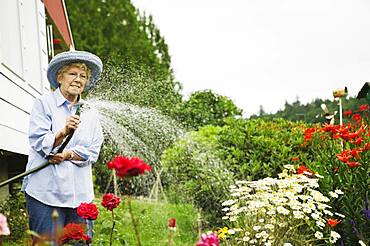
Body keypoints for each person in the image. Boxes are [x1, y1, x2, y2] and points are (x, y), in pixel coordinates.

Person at [22, 50, 104, 243]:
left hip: (80, 196)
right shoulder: (43, 104)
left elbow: (93, 150)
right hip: (45, 193)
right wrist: (63, 132)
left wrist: (68, 154)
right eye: (73, 74)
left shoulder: (90, 112)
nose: (78, 79)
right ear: (60, 77)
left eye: (83, 76)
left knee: (80, 243)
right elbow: (40, 142)